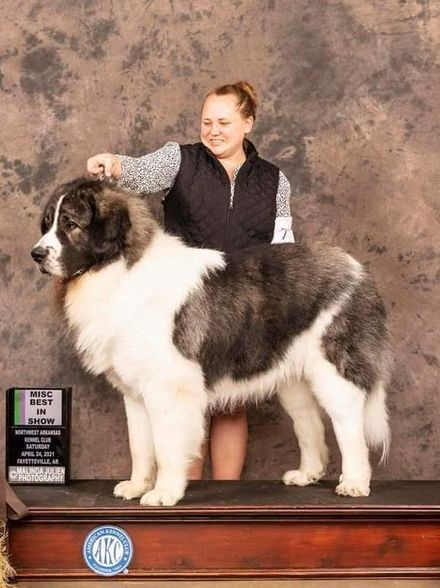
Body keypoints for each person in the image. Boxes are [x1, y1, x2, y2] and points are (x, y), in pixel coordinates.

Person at [85, 81, 295, 480]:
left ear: (248, 123)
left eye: (224, 122)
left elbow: (284, 248)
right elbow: (139, 172)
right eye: (206, 122)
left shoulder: (275, 181)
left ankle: (225, 503)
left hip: (243, 306)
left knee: (232, 404)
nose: (213, 130)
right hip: (182, 304)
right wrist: (111, 162)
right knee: (182, 399)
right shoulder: (178, 160)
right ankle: (186, 500)